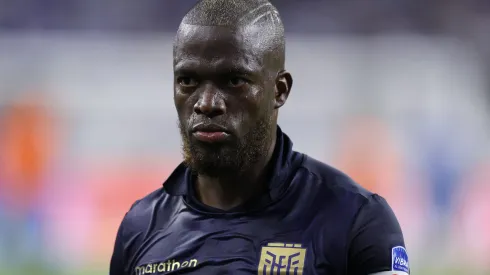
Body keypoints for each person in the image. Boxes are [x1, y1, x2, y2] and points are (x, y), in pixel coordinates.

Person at [109, 1, 409, 274]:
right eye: (188, 80)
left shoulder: (355, 219)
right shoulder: (140, 227)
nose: (207, 103)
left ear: (279, 90)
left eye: (234, 80)